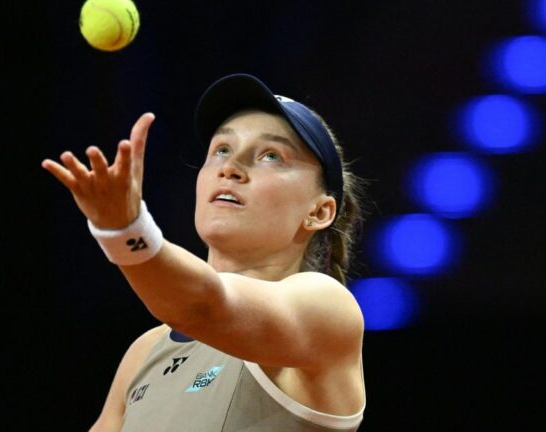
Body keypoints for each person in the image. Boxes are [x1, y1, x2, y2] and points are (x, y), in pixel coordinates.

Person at [42, 73, 367, 432]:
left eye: (271, 155)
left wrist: (126, 230)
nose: (230, 168)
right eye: (222, 150)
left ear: (319, 212)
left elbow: (204, 305)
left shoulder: (328, 310)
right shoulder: (144, 352)